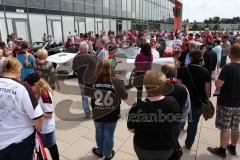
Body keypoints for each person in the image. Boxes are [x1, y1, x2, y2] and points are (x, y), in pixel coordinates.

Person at [127, 70, 180, 160]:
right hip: (165, 148)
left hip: (142, 147)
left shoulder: (137, 106)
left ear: (145, 86)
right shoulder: (172, 102)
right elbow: (175, 123)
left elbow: (131, 129)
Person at [0, 57, 43, 160]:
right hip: (20, 141)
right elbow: (38, 117)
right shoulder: (22, 87)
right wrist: (39, 129)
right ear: (18, 70)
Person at [207, 44, 240, 158]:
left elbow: (219, 84)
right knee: (235, 126)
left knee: (225, 127)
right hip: (238, 103)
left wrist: (216, 77)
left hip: (227, 102)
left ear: (231, 54)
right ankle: (233, 147)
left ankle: (222, 149)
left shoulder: (228, 67)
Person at [91, 60, 128, 160]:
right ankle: (107, 155)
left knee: (99, 131)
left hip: (97, 111)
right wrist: (122, 86)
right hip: (112, 112)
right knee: (108, 134)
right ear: (111, 69)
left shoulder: (93, 80)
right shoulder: (116, 81)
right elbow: (125, 96)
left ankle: (100, 151)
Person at [177, 49, 211, 149]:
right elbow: (207, 91)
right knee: (193, 124)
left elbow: (179, 85)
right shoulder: (205, 71)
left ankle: (174, 140)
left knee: (179, 121)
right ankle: (189, 144)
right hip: (197, 103)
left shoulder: (183, 69)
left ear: (190, 58)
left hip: (183, 101)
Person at [25, 73, 59, 160]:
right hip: (41, 126)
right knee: (41, 147)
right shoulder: (37, 92)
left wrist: (34, 113)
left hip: (46, 128)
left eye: (30, 87)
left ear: (36, 85)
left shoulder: (45, 95)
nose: (29, 89)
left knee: (51, 147)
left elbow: (49, 115)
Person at [161, 64, 191, 137]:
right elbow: (187, 108)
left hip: (159, 120)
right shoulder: (183, 88)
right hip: (175, 120)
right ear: (175, 73)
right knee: (173, 142)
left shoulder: (157, 86)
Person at [72, 42, 97, 118]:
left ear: (81, 49)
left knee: (84, 97)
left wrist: (79, 73)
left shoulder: (76, 58)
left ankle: (87, 113)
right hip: (91, 80)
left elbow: (74, 70)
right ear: (86, 49)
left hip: (81, 80)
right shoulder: (91, 57)